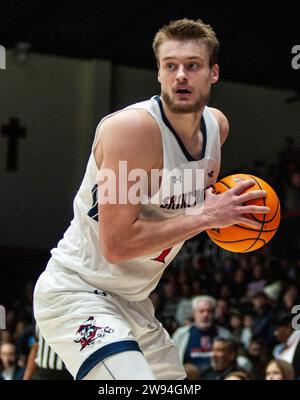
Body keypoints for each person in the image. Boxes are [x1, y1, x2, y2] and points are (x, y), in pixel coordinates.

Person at [33, 18, 270, 380]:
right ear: (158, 74)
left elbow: (189, 211)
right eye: (170, 66)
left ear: (214, 73)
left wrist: (228, 217)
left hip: (135, 302)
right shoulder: (131, 130)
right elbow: (116, 244)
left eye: (192, 66)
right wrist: (205, 217)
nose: (180, 76)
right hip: (78, 291)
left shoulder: (216, 128)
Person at [172, 295, 232, 374]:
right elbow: (171, 360)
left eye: (209, 311)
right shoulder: (181, 334)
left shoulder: (225, 334)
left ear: (213, 313)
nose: (205, 315)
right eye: (201, 311)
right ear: (194, 314)